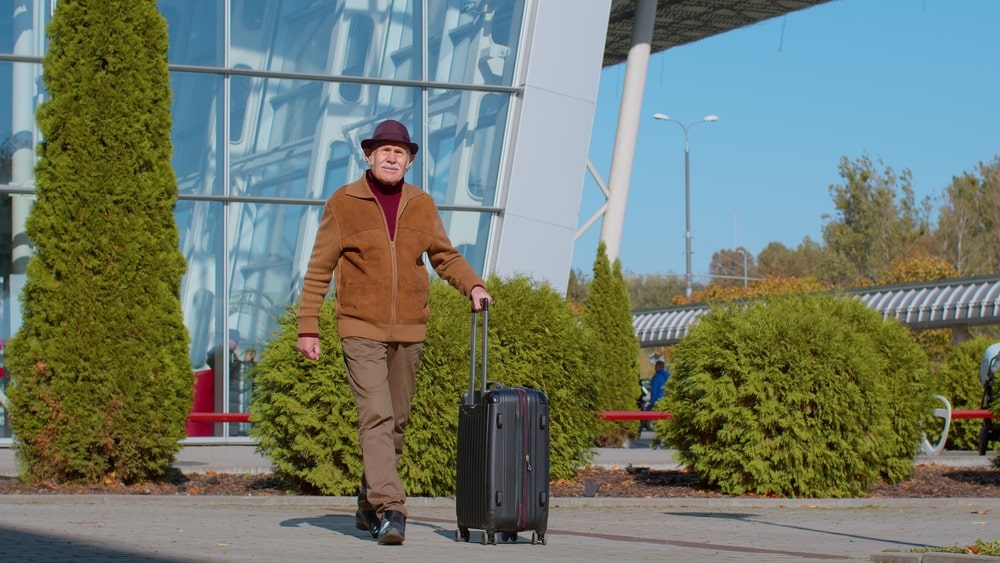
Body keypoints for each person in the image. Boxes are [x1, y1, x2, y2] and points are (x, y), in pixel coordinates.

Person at [295, 119, 492, 546]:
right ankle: (392, 509)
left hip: (409, 330)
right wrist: (308, 325)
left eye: (399, 152)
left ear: (410, 160)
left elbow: (445, 256)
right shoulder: (343, 202)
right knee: (376, 416)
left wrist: (472, 284)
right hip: (359, 327)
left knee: (396, 422)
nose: (391, 157)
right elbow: (318, 269)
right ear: (369, 156)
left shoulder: (421, 203)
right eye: (383, 150)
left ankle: (368, 503)